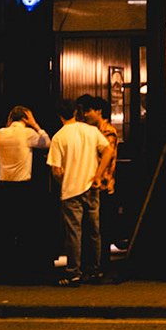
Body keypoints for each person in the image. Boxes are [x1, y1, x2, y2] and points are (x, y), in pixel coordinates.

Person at [47, 98, 113, 285]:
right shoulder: (91, 131)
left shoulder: (58, 137)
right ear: (76, 112)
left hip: (70, 190)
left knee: (73, 232)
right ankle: (94, 270)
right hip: (91, 186)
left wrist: (63, 181)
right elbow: (108, 151)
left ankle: (73, 272)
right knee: (94, 230)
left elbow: (56, 170)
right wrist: (98, 175)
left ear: (59, 115)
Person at [0, 106, 48, 282]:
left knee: (6, 228)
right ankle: (23, 270)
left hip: (4, 185)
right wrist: (35, 124)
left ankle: (5, 269)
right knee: (24, 227)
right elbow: (47, 143)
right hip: (23, 186)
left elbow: (6, 129)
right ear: (25, 119)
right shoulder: (27, 134)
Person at [74, 95, 119, 251]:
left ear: (99, 111)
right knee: (92, 228)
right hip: (93, 183)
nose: (85, 115)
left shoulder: (108, 131)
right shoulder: (93, 131)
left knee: (101, 228)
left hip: (104, 184)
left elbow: (107, 156)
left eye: (89, 111)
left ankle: (102, 261)